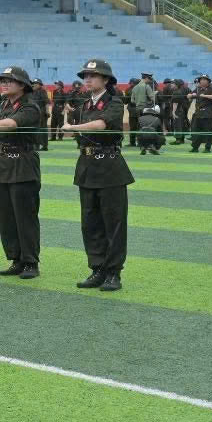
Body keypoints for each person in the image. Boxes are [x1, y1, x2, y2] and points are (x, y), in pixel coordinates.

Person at [61, 59, 134, 291]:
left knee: (113, 223)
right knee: (90, 223)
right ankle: (97, 268)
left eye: (93, 75)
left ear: (106, 79)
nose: (88, 79)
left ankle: (113, 272)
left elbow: (102, 124)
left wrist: (73, 128)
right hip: (87, 166)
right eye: (85, 76)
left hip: (109, 167)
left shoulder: (114, 101)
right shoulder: (85, 105)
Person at [0, 66, 45, 279]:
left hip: (22, 163)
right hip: (3, 163)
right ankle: (16, 258)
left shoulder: (29, 106)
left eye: (10, 80)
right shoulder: (5, 104)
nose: (4, 83)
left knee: (25, 215)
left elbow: (11, 124)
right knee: (7, 216)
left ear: (22, 85)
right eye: (2, 80)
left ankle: (30, 262)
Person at [188, 74, 212, 153]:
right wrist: (191, 95)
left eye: (205, 79)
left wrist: (205, 96)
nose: (202, 81)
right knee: (195, 131)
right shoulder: (198, 89)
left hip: (207, 114)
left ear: (208, 81)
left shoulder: (211, 89)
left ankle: (207, 148)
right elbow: (189, 96)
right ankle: (195, 147)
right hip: (198, 113)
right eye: (201, 79)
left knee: (208, 132)